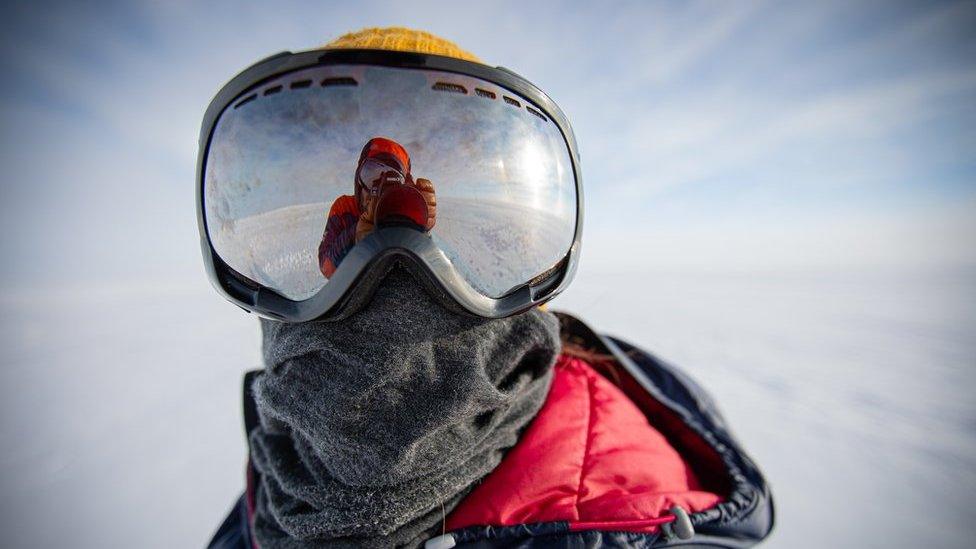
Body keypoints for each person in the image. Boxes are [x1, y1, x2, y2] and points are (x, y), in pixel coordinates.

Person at [201, 28, 774, 549]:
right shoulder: (270, 483)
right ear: (358, 179)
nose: (384, 193)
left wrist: (418, 224)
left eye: (392, 179)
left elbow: (456, 264)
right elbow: (332, 262)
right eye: (374, 178)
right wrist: (360, 236)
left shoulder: (641, 520)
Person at [318, 137, 437, 278]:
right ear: (358, 180)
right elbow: (326, 267)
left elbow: (428, 272)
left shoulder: (405, 209)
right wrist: (355, 235)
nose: (376, 190)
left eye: (391, 183)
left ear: (402, 187)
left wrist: (419, 224)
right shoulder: (344, 208)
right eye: (370, 176)